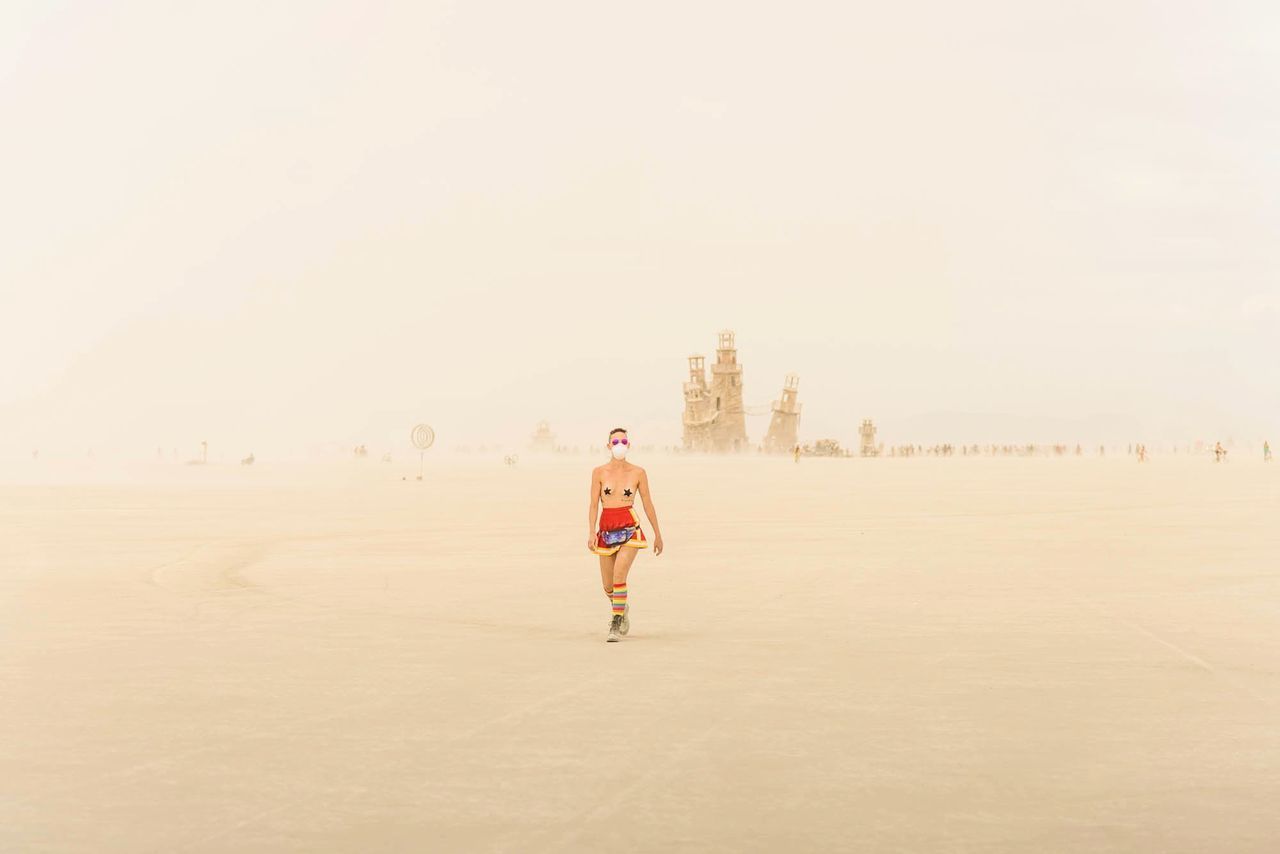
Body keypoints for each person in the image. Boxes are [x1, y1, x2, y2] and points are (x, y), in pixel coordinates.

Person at [587, 427, 664, 642]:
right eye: (615, 441)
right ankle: (621, 607)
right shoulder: (599, 472)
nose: (619, 444)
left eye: (623, 441)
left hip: (630, 528)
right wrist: (591, 532)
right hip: (606, 528)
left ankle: (615, 622)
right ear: (608, 445)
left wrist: (658, 533)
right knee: (608, 585)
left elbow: (648, 503)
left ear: (628, 445)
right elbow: (594, 504)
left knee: (620, 575)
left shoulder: (638, 472)